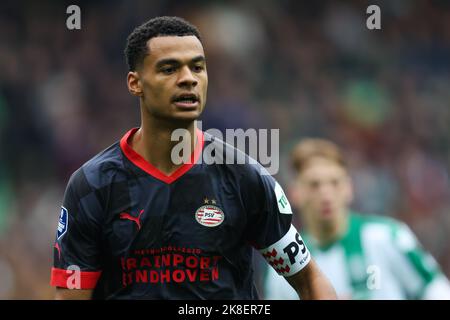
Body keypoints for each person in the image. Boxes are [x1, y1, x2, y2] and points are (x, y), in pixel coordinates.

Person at [50, 16, 336, 300]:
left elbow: (310, 280)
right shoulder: (92, 185)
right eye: (169, 68)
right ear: (135, 83)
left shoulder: (245, 178)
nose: (188, 78)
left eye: (197, 67)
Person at [263, 138, 450, 299]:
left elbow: (436, 291)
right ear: (295, 193)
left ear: (349, 188)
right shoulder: (283, 265)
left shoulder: (387, 237)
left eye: (334, 183)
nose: (326, 194)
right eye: (314, 185)